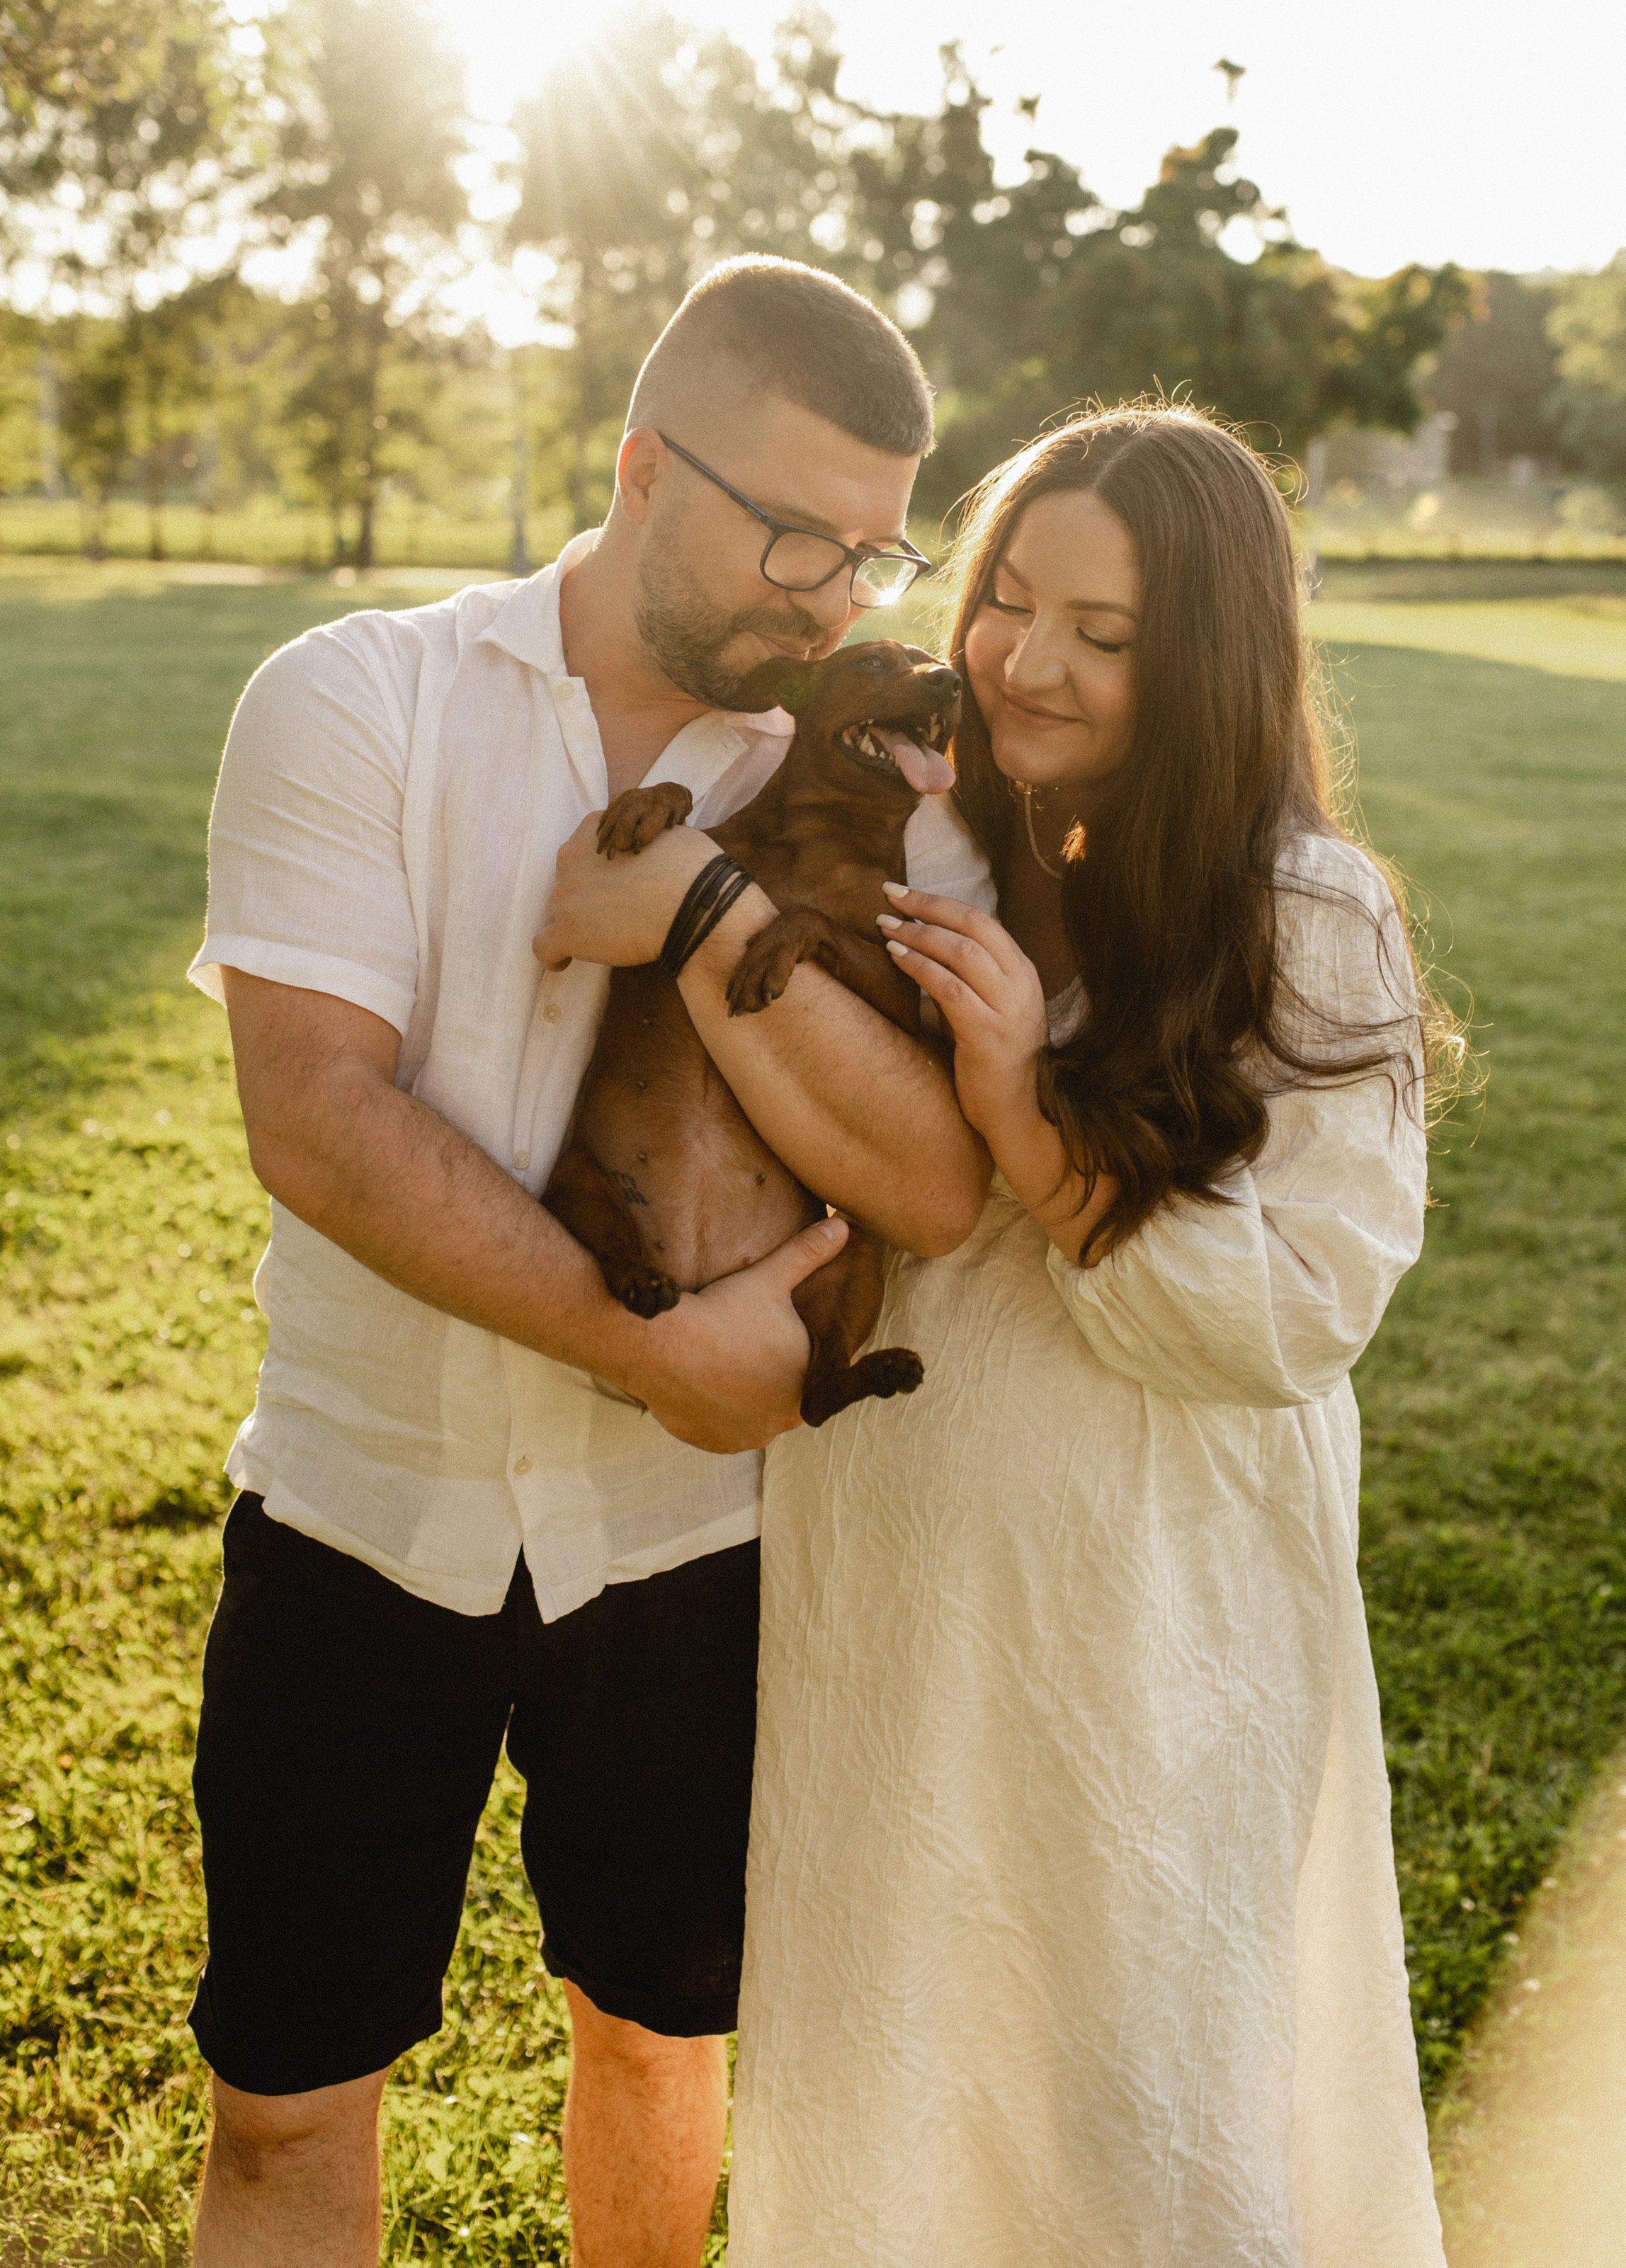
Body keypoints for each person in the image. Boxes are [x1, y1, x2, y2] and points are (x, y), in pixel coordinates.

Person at [182, 255, 992, 2267]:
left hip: (692, 1554)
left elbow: (936, 1180)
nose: (827, 598)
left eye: (874, 556)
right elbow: (321, 1122)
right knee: (285, 2108)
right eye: (791, 531)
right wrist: (649, 1350)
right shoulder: (354, 697)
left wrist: (709, 906)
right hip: (360, 1516)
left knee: (654, 2048)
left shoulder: (873, 779)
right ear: (640, 465)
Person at [727, 408, 1456, 2268]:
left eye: (1105, 636)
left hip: (1150, 1623)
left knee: (1140, 2105)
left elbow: (1298, 1312)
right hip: (892, 1589)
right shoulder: (926, 846)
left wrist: (1031, 1112)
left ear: (1202, 660)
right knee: (896, 2094)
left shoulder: (1303, 913)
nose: (1027, 663)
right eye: (1010, 602)